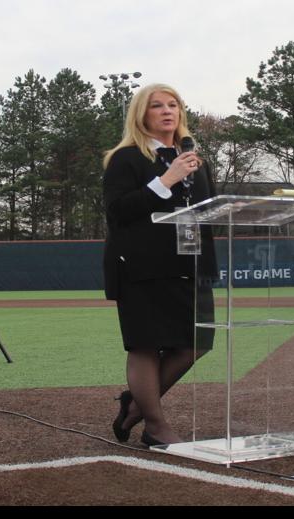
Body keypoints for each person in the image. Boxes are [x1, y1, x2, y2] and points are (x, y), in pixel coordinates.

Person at [102, 83, 218, 448]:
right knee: (145, 346)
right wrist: (165, 180)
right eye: (157, 106)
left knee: (196, 343)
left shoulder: (197, 162)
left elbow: (208, 212)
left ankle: (135, 404)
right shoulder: (127, 158)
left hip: (189, 264)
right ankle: (155, 425)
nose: (168, 111)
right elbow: (118, 211)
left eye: (173, 105)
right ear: (142, 114)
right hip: (141, 266)